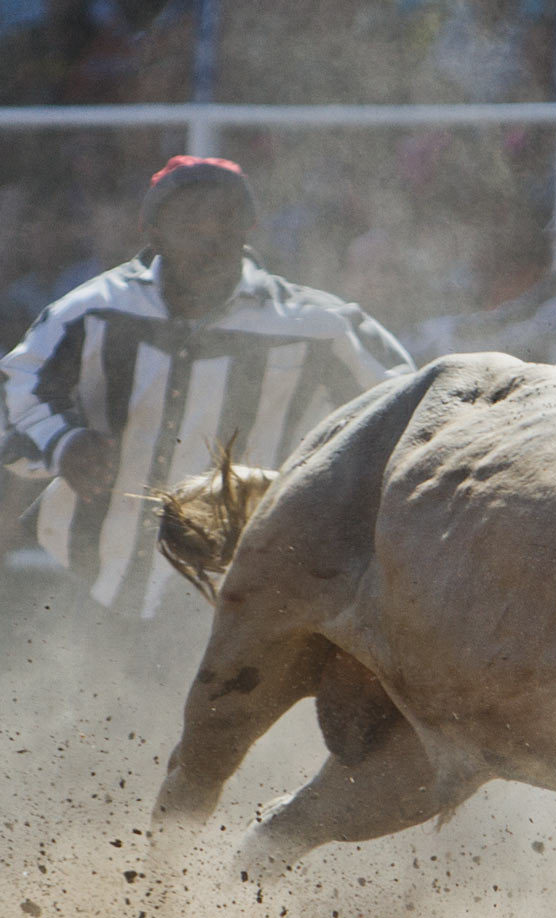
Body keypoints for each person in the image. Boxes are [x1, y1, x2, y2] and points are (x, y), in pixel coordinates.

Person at [0, 156, 413, 640]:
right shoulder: (94, 311)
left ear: (249, 228)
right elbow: (17, 387)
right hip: (96, 568)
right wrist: (64, 444)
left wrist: (333, 496)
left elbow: (404, 404)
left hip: (245, 584)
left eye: (226, 217)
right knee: (78, 701)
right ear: (153, 231)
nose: (210, 232)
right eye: (190, 219)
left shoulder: (315, 326)